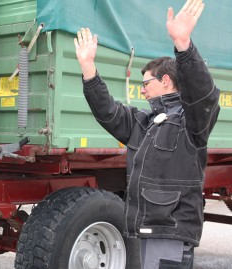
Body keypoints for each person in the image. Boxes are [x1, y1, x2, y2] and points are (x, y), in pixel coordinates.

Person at [73, 0, 220, 268]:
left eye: (146, 83)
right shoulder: (145, 121)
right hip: (147, 227)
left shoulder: (191, 121)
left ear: (165, 81)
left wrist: (184, 46)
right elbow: (108, 113)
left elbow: (203, 95)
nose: (142, 90)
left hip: (172, 230)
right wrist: (88, 69)